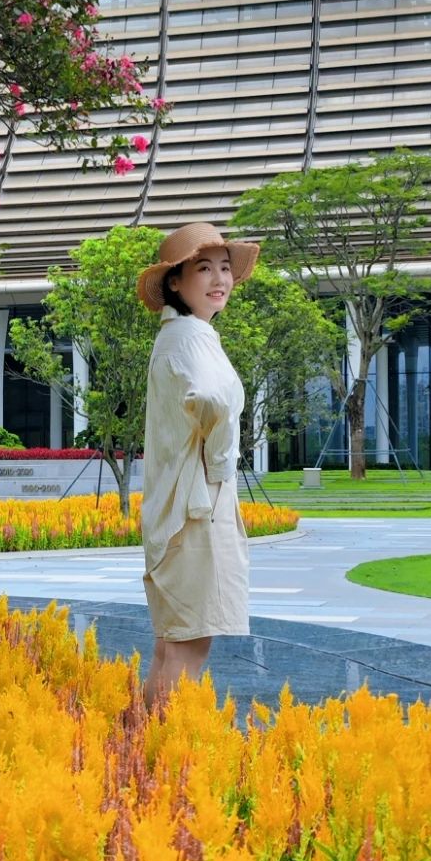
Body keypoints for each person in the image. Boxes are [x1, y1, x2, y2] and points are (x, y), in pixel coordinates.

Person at [135, 221, 259, 707]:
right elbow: (213, 398)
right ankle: (164, 753)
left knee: (173, 643)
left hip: (178, 511)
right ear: (175, 282)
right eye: (203, 269)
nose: (219, 279)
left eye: (225, 268)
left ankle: (136, 751)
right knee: (190, 643)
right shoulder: (191, 336)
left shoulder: (180, 334)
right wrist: (220, 465)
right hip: (196, 509)